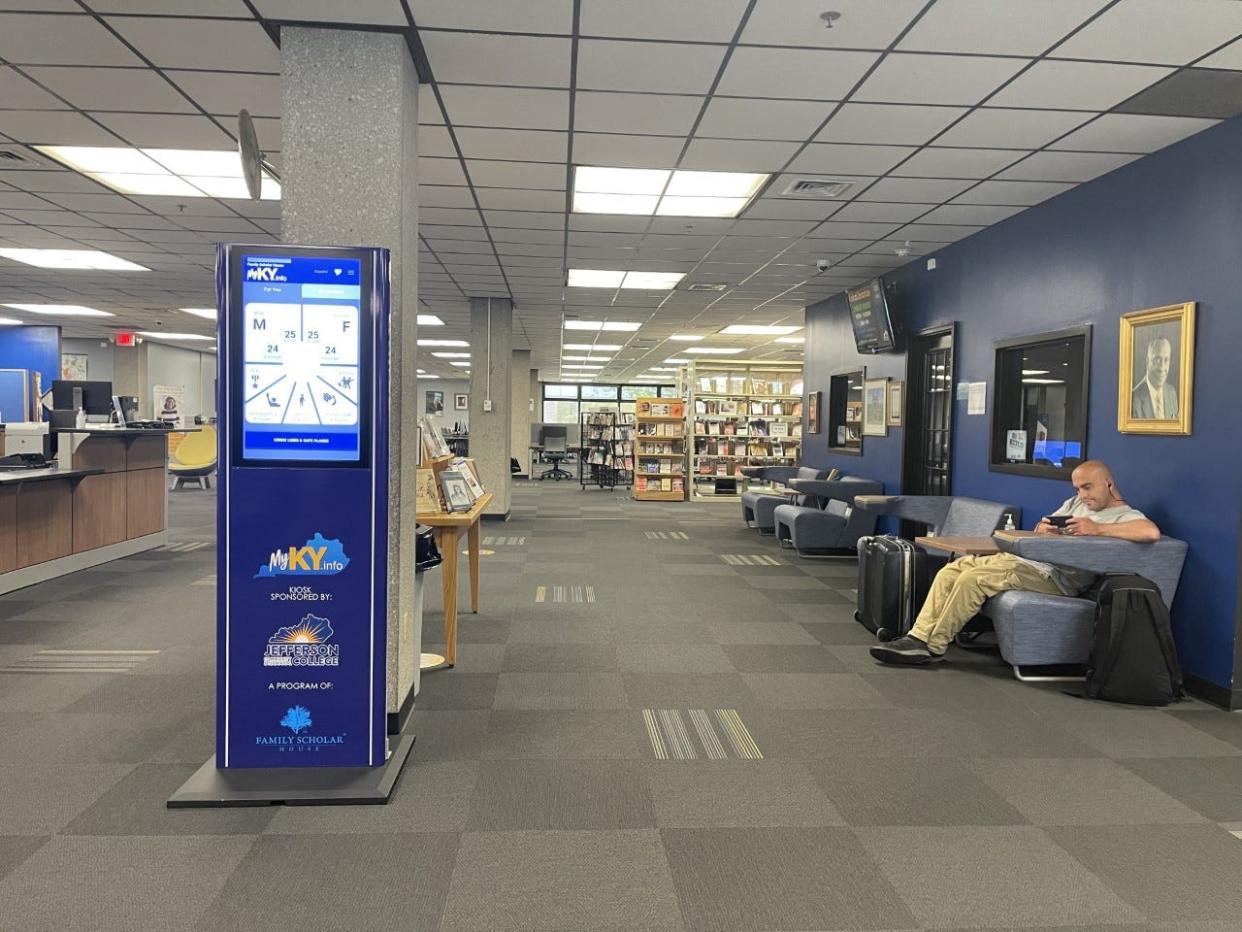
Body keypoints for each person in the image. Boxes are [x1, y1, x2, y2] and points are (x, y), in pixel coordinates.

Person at [870, 460, 1160, 666]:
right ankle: (917, 636)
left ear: (1108, 484)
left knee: (975, 580)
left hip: (1057, 578)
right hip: (1032, 562)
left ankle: (932, 647)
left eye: (1088, 488)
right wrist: (1043, 530)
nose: (1082, 496)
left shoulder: (1125, 515)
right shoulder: (1077, 504)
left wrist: (1097, 529)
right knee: (954, 569)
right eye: (1077, 489)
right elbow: (1043, 526)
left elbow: (1150, 532)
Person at [1131, 336, 1178, 419]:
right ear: (1147, 362)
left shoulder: (1172, 393)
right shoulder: (1133, 399)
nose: (1162, 367)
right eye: (1157, 359)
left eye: (1166, 360)